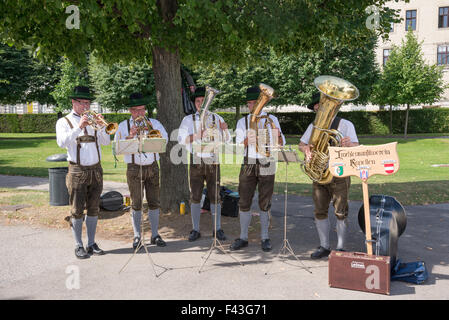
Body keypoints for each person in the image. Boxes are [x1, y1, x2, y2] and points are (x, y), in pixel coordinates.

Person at [298, 92, 359, 259]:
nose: (318, 109)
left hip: (340, 172)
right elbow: (301, 144)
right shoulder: (313, 126)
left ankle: (340, 248)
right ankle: (324, 245)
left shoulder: (345, 124)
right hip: (319, 173)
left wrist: (349, 145)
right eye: (317, 107)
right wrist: (306, 149)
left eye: (321, 106)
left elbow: (356, 146)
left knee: (340, 211)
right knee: (320, 211)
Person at [56, 86, 110, 259]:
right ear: (74, 102)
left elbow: (106, 142)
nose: (86, 106)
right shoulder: (64, 121)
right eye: (83, 102)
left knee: (94, 208)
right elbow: (62, 142)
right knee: (77, 209)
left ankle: (91, 243)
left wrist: (101, 127)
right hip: (77, 170)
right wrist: (79, 126)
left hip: (96, 169)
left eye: (88, 102)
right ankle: (78, 244)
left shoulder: (94, 121)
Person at [230, 85, 285, 252]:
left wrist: (276, 133)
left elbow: (280, 144)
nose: (252, 106)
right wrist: (248, 139)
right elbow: (238, 148)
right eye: (249, 103)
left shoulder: (272, 119)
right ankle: (243, 237)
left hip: (267, 161)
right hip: (249, 162)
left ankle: (265, 237)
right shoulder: (242, 121)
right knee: (244, 201)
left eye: (255, 102)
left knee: (265, 201)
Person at [114, 92, 169, 250]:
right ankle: (137, 235)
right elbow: (118, 148)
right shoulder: (123, 126)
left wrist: (151, 131)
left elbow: (163, 140)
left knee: (154, 203)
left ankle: (155, 234)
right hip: (133, 168)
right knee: (136, 204)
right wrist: (130, 136)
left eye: (142, 109)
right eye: (136, 110)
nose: (140, 113)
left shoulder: (154, 123)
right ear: (131, 111)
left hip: (152, 166)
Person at [177, 86, 231, 242]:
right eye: (198, 101)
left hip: (213, 160)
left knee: (215, 196)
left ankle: (217, 228)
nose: (201, 103)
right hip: (196, 160)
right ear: (194, 103)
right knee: (195, 196)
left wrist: (225, 130)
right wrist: (197, 135)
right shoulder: (188, 120)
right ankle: (195, 229)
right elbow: (181, 140)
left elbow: (226, 140)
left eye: (203, 100)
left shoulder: (216, 118)